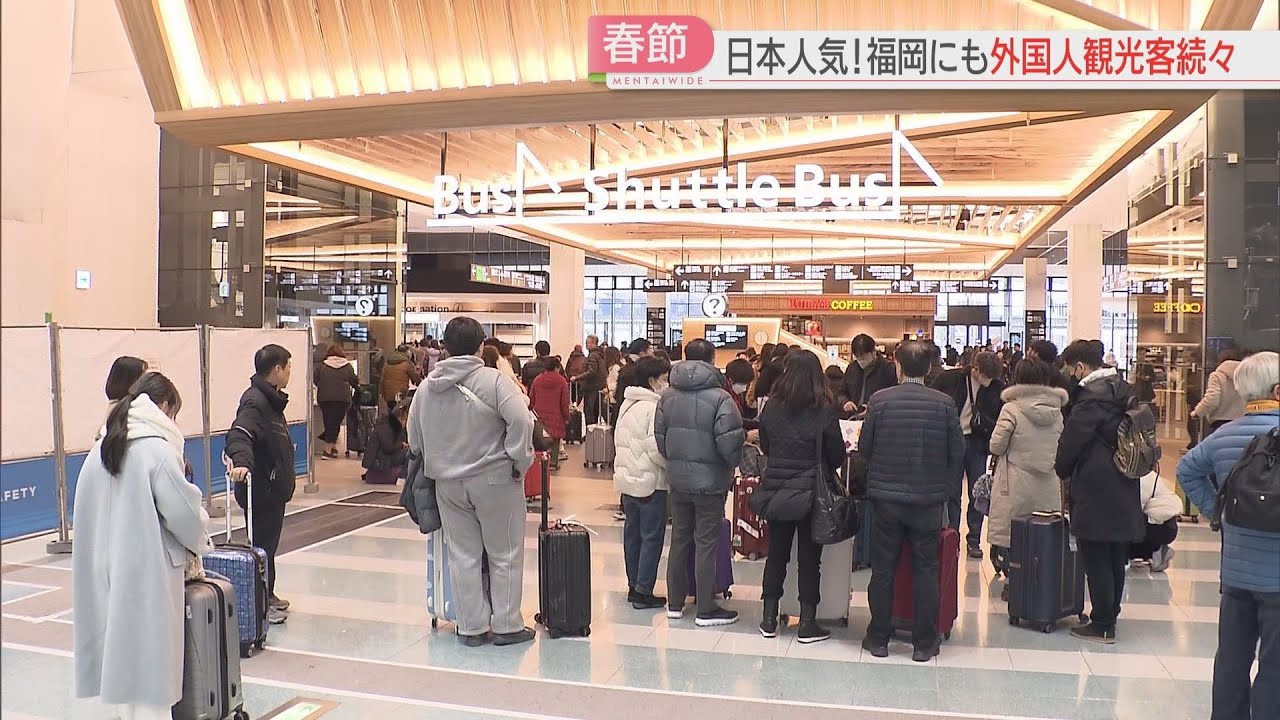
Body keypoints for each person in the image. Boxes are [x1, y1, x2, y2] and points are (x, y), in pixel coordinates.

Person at [73, 372, 214, 720]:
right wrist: (202, 533)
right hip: (147, 573)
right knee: (151, 673)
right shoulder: (156, 449)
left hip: (104, 571)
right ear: (163, 406)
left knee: (120, 669)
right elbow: (185, 515)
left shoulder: (102, 447)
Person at [408, 317, 535, 647]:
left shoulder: (426, 387)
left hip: (447, 483)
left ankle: (471, 626)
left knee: (462, 555)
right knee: (504, 554)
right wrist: (519, 459)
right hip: (495, 480)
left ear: (445, 347)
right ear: (481, 345)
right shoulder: (493, 381)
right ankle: (507, 625)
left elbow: (414, 439)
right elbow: (521, 419)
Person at [1176, 351, 1279, 719]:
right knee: (1275, 668)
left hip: (1236, 574)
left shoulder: (1225, 435)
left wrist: (1217, 511)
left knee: (1232, 660)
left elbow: (1187, 470)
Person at [859, 340, 964, 662]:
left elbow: (865, 448)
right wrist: (945, 490)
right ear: (929, 368)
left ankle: (878, 637)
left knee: (883, 569)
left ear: (897, 366)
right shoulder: (944, 404)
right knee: (926, 569)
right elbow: (956, 452)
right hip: (928, 500)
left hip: (886, 498)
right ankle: (923, 642)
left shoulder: (880, 401)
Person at [1054, 339, 1145, 644]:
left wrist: (1062, 468)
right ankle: (1110, 614)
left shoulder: (1092, 398)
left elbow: (1072, 441)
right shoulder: (1122, 388)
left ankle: (1102, 622)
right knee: (1114, 553)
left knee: (1095, 554)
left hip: (1096, 482)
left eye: (1071, 369)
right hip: (1122, 477)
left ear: (1080, 366)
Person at [753, 351, 845, 644]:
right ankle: (807, 623)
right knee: (809, 560)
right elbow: (837, 455)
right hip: (811, 493)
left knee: (776, 554)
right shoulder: (824, 409)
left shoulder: (771, 407)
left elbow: (766, 446)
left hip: (777, 490)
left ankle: (769, 619)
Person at [655, 339, 745, 627]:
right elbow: (730, 442)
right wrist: (729, 464)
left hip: (678, 480)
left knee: (679, 539)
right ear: (712, 358)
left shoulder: (667, 396)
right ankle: (706, 607)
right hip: (710, 482)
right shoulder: (721, 398)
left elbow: (660, 437)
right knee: (706, 542)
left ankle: (675, 603)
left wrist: (677, 460)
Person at [225, 344, 297, 624]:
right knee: (262, 547)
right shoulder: (256, 401)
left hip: (272, 486)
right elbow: (240, 434)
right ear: (277, 370)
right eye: (288, 367)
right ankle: (259, 603)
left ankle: (268, 593)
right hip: (262, 489)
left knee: (269, 545)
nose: (290, 372)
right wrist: (242, 463)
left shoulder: (270, 400)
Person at [985, 359, 1067, 594]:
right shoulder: (1056, 410)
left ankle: (1014, 581)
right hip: (1047, 479)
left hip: (1015, 479)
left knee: (1014, 532)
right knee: (1041, 530)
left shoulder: (1011, 408)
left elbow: (996, 446)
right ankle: (1039, 579)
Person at [931, 351, 1005, 559]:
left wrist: (986, 424)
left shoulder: (997, 387)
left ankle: (974, 539)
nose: (988, 382)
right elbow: (936, 403)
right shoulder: (950, 379)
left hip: (978, 442)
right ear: (975, 369)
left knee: (977, 492)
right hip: (952, 439)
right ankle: (952, 538)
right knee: (952, 491)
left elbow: (1000, 416)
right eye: (985, 377)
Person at [613, 356, 673, 611]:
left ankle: (633, 585)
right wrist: (672, 469)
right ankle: (644, 590)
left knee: (632, 537)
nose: (667, 384)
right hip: (650, 483)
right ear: (652, 381)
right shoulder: (653, 408)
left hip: (628, 482)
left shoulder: (627, 404)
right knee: (651, 538)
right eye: (664, 380)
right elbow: (655, 449)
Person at [1130, 469, 1182, 572]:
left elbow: (1133, 513)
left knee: (1126, 525)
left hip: (1160, 527)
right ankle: (1153, 551)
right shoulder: (1147, 473)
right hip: (1164, 524)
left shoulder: (1140, 478)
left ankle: (1155, 550)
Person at [314, 344, 358, 459]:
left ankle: (332, 448)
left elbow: (315, 379)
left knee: (329, 423)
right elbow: (354, 380)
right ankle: (327, 451)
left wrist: (324, 387)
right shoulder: (347, 366)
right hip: (342, 399)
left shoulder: (322, 365)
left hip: (325, 398)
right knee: (335, 423)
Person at [528, 355, 571, 471]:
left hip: (540, 415)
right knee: (556, 440)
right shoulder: (561, 381)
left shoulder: (538, 379)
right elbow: (564, 402)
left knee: (541, 439)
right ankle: (553, 463)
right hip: (557, 415)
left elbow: (532, 397)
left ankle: (542, 462)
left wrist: (531, 410)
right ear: (557, 367)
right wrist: (567, 416)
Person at [1192, 348, 1247, 437]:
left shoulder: (1217, 376)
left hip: (1220, 423)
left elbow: (1212, 399)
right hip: (1243, 422)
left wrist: (1197, 413)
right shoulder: (1248, 377)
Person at [841, 334, 898, 416]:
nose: (860, 360)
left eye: (863, 357)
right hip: (854, 418)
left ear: (873, 352)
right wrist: (845, 402)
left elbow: (894, 397)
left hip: (878, 419)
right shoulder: (852, 368)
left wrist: (874, 408)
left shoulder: (888, 369)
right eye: (857, 357)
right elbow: (842, 392)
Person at [362, 397, 410, 482]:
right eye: (405, 421)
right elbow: (388, 447)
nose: (405, 424)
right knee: (410, 453)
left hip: (382, 458)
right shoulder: (387, 426)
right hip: (381, 460)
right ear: (399, 418)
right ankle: (402, 477)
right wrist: (402, 445)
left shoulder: (389, 424)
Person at [573, 335, 608, 425]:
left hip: (591, 388)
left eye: (587, 342)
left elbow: (592, 371)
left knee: (589, 412)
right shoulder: (601, 355)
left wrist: (577, 378)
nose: (586, 344)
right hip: (600, 387)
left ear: (592, 343)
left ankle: (590, 434)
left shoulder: (592, 355)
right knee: (598, 411)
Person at [380, 343, 422, 408]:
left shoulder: (388, 362)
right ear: (407, 352)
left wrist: (383, 393)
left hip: (388, 396)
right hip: (400, 395)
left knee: (391, 413)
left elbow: (382, 379)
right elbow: (416, 379)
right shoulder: (407, 363)